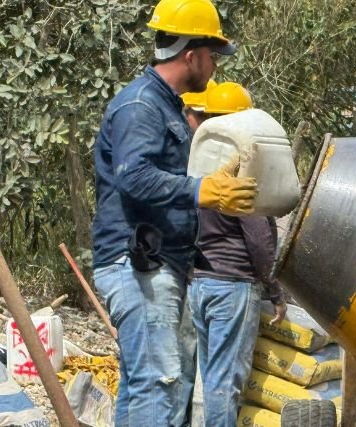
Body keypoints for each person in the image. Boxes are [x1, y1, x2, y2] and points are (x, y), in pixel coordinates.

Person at [91, 0, 257, 425]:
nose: (214, 65)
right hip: (138, 267)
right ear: (191, 55)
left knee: (140, 386)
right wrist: (204, 189)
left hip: (152, 265)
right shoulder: (142, 106)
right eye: (213, 55)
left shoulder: (163, 105)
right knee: (158, 386)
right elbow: (134, 178)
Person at [183, 81, 288, 426]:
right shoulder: (243, 170)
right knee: (225, 382)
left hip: (199, 284)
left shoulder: (198, 165)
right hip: (233, 285)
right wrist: (274, 289)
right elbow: (258, 240)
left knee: (210, 377)